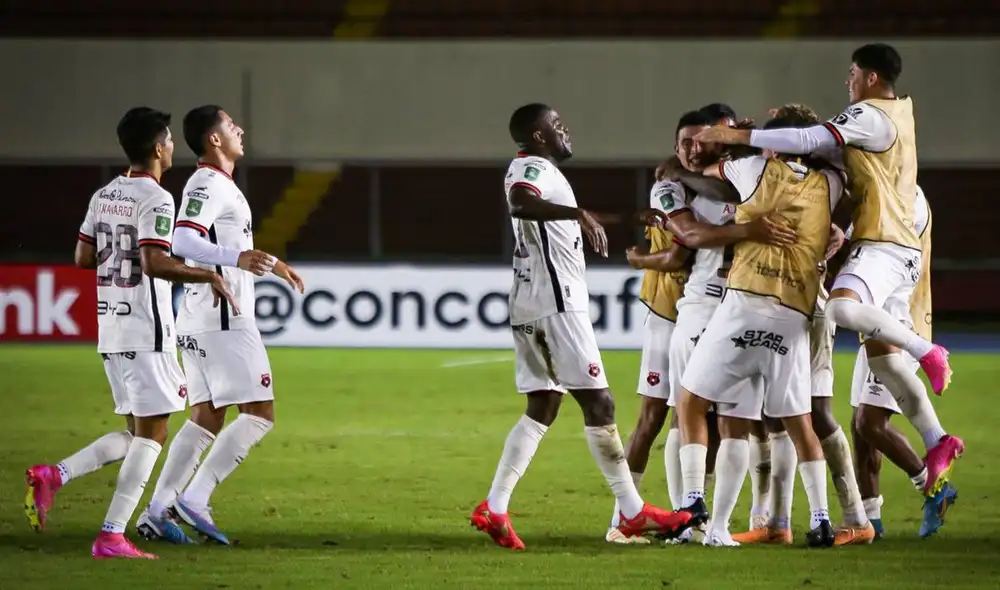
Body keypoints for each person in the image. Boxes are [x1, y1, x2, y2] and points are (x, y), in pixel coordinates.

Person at [694, 44, 963, 496]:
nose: (848, 80)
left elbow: (808, 140)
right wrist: (844, 227)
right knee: (886, 364)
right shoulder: (895, 119)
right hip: (891, 245)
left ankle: (928, 351)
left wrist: (744, 138)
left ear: (872, 78)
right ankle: (938, 441)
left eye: (853, 72)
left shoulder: (870, 116)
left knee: (841, 309)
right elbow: (845, 166)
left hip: (883, 245)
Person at [470, 103, 692, 550]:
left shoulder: (543, 173)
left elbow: (562, 220)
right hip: (556, 304)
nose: (563, 128)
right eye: (555, 124)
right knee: (600, 404)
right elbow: (521, 203)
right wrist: (577, 215)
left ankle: (495, 507)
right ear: (536, 136)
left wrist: (622, 218)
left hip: (536, 301)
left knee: (543, 406)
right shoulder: (531, 168)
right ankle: (631, 513)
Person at [25, 107, 237, 559]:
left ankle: (55, 475)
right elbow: (154, 261)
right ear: (159, 148)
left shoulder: (104, 194)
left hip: (112, 328)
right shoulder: (158, 199)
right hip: (147, 328)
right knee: (151, 436)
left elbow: (83, 258)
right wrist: (207, 275)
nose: (173, 147)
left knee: (138, 432)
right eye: (169, 142)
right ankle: (111, 534)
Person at [675, 110, 844, 548]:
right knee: (799, 423)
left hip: (745, 304)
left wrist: (709, 151)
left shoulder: (754, 169)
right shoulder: (830, 185)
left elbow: (704, 173)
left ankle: (693, 499)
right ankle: (822, 520)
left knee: (691, 401)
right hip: (793, 316)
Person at [136, 105, 303, 545]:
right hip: (223, 316)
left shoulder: (215, 184)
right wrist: (237, 259)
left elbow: (218, 244)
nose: (239, 130)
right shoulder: (210, 183)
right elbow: (183, 239)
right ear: (214, 139)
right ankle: (197, 497)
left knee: (206, 417)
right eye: (231, 126)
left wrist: (266, 261)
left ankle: (158, 509)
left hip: (198, 315)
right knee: (260, 413)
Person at [849, 186, 957, 538]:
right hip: (873, 327)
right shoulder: (875, 192)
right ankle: (870, 522)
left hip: (900, 325)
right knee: (860, 430)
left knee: (870, 423)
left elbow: (879, 253)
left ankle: (934, 488)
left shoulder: (904, 197)